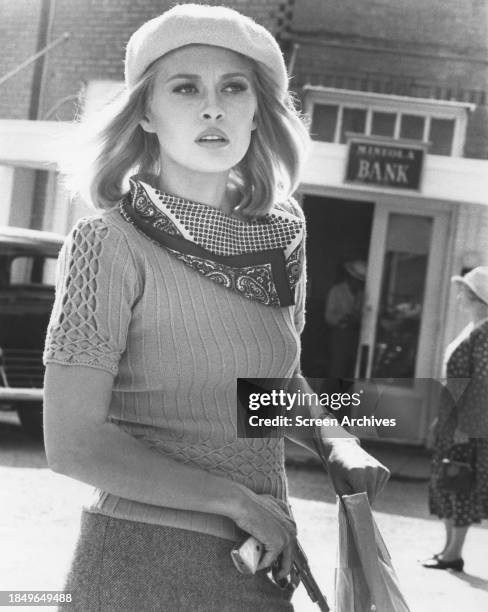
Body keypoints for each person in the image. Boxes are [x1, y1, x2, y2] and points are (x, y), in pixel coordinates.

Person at [43, 5, 389, 610]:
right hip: (138, 567)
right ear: (146, 114)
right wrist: (235, 499)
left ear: (258, 111)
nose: (213, 107)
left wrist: (336, 439)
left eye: (233, 87)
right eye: (185, 89)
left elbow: (264, 388)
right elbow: (73, 444)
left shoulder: (284, 233)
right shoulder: (108, 242)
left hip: (260, 566)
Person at [423, 266, 488, 572]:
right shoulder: (474, 328)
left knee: (459, 482)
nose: (459, 295)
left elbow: (482, 384)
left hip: (466, 424)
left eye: (464, 290)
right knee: (447, 481)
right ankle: (447, 549)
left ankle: (454, 553)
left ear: (477, 297)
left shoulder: (485, 334)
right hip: (453, 421)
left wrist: (466, 424)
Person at [324, 260, 366, 378]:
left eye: (360, 281)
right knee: (338, 369)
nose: (358, 283)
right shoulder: (336, 291)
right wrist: (344, 318)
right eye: (356, 279)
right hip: (340, 335)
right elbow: (328, 316)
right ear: (350, 277)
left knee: (354, 370)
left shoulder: (363, 294)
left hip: (357, 336)